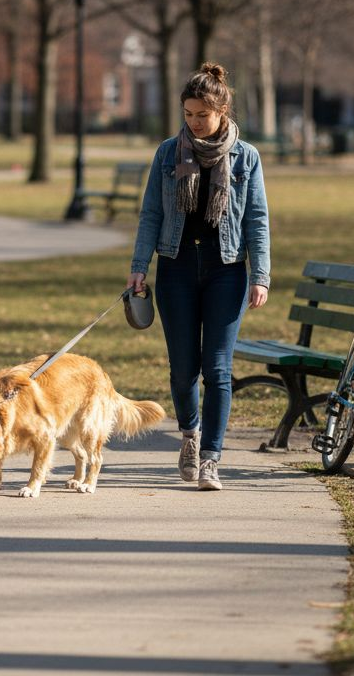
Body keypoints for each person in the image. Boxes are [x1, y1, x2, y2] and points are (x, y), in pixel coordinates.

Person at [126, 63, 270, 491]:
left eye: (201, 114)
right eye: (187, 114)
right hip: (176, 267)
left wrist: (260, 274)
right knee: (183, 368)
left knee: (218, 368)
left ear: (221, 110)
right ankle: (190, 436)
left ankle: (211, 459)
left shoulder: (246, 157)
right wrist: (139, 266)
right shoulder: (168, 153)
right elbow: (151, 212)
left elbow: (257, 219)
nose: (193, 122)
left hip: (227, 269)